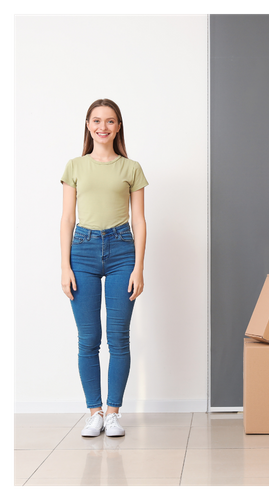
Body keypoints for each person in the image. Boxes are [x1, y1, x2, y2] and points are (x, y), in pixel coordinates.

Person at [60, 99, 148, 437]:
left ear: (118, 126)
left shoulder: (131, 168)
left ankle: (112, 413)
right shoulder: (75, 166)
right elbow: (68, 218)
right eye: (97, 121)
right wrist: (64, 265)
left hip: (122, 251)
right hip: (81, 251)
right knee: (88, 339)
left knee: (118, 338)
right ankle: (93, 411)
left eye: (110, 121)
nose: (103, 127)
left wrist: (139, 266)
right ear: (87, 125)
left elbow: (139, 220)